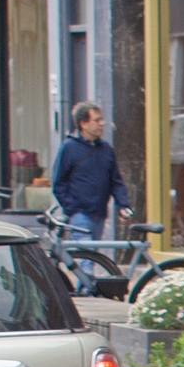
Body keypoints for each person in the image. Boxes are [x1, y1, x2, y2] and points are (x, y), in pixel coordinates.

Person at [51, 103, 131, 295]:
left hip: (99, 213)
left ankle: (83, 291)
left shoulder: (105, 149)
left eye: (101, 119)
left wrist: (123, 205)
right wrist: (72, 209)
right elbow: (58, 183)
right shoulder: (69, 148)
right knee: (87, 255)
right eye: (96, 120)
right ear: (83, 124)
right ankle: (88, 291)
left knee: (92, 255)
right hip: (79, 215)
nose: (102, 124)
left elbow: (115, 181)